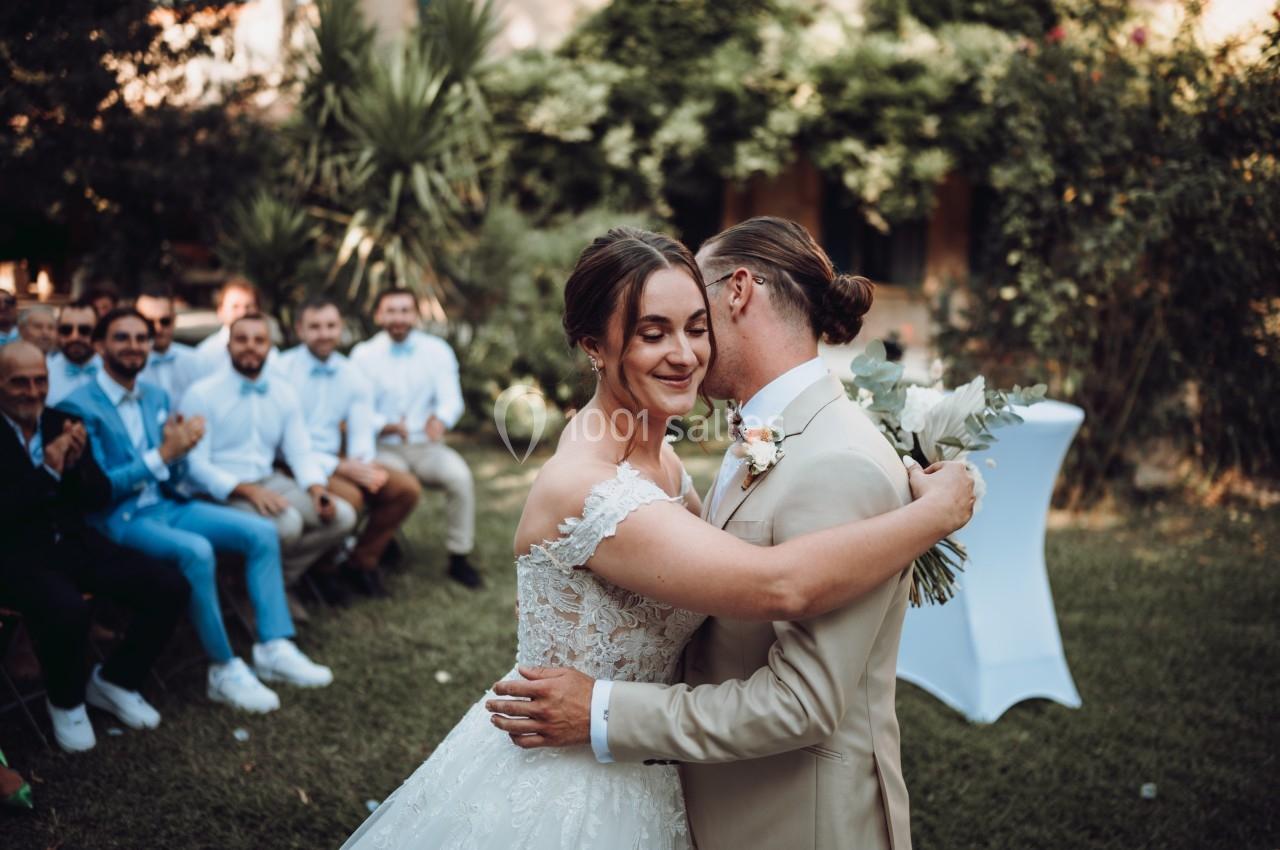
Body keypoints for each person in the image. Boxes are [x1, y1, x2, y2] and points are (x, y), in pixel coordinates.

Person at [340, 227, 975, 850]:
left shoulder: (665, 463)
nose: (686, 353)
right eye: (653, 333)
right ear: (595, 346)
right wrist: (932, 516)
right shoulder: (590, 485)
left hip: (664, 781)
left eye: (696, 327)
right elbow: (779, 582)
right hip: (569, 788)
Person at [57, 308, 333, 713]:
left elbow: (178, 470)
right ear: (100, 346)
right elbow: (98, 491)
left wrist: (180, 452)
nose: (134, 346)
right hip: (118, 518)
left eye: (141, 338)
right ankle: (223, 668)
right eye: (122, 337)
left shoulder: (157, 396)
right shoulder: (76, 406)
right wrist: (163, 454)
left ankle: (274, 646)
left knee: (261, 533)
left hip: (167, 503)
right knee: (196, 552)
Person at [0, 341, 189, 752]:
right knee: (68, 608)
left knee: (169, 585)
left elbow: (97, 495)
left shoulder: (62, 420)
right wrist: (48, 471)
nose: (32, 391)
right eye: (19, 383)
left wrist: (78, 466)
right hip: (14, 555)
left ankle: (115, 679)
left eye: (40, 380)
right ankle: (65, 700)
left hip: (73, 542)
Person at [181, 313, 356, 618]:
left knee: (342, 516)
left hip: (268, 479)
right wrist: (246, 491)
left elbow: (300, 451)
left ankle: (268, 585)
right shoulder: (201, 393)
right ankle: (258, 594)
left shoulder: (283, 391)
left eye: (259, 340)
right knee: (288, 525)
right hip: (217, 490)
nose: (250, 347)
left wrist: (316, 489)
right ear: (228, 345)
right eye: (242, 339)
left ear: (270, 346)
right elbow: (193, 465)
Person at [276, 296, 421, 598]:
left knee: (405, 489)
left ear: (340, 328)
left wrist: (362, 465)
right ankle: (323, 569)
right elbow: (279, 442)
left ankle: (361, 562)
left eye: (331, 326)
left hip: (337, 459)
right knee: (352, 498)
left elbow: (361, 428)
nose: (324, 334)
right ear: (300, 330)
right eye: (315, 327)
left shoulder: (350, 372)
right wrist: (341, 468)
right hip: (290, 462)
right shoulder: (281, 369)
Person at [350, 288, 480, 588]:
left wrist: (441, 419)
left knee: (459, 477)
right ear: (379, 315)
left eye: (405, 311)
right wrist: (384, 425)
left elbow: (452, 399)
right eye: (391, 311)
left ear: (416, 316)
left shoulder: (437, 351)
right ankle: (382, 546)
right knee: (398, 483)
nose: (399, 318)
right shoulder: (363, 355)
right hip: (382, 447)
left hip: (426, 445)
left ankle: (459, 556)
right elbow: (356, 410)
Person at [195, 277, 275, 374]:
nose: (242, 313)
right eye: (235, 307)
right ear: (220, 311)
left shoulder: (273, 354)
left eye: (248, 306)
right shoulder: (205, 353)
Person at [135, 287, 202, 402]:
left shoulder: (195, 360)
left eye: (164, 321)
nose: (158, 328)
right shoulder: (127, 364)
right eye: (149, 322)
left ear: (174, 319)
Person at [45, 300, 101, 404]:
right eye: (66, 330)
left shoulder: (115, 371)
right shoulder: (44, 373)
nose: (74, 337)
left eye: (84, 330)